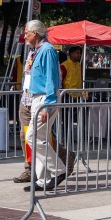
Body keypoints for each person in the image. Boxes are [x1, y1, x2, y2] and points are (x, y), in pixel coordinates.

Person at [21, 19, 71, 192]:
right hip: (39, 97)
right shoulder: (39, 50)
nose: (25, 36)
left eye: (26, 33)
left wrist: (48, 105)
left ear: (35, 33)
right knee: (39, 138)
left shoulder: (47, 50)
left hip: (45, 98)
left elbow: (51, 78)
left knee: (33, 137)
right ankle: (43, 180)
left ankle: (59, 170)